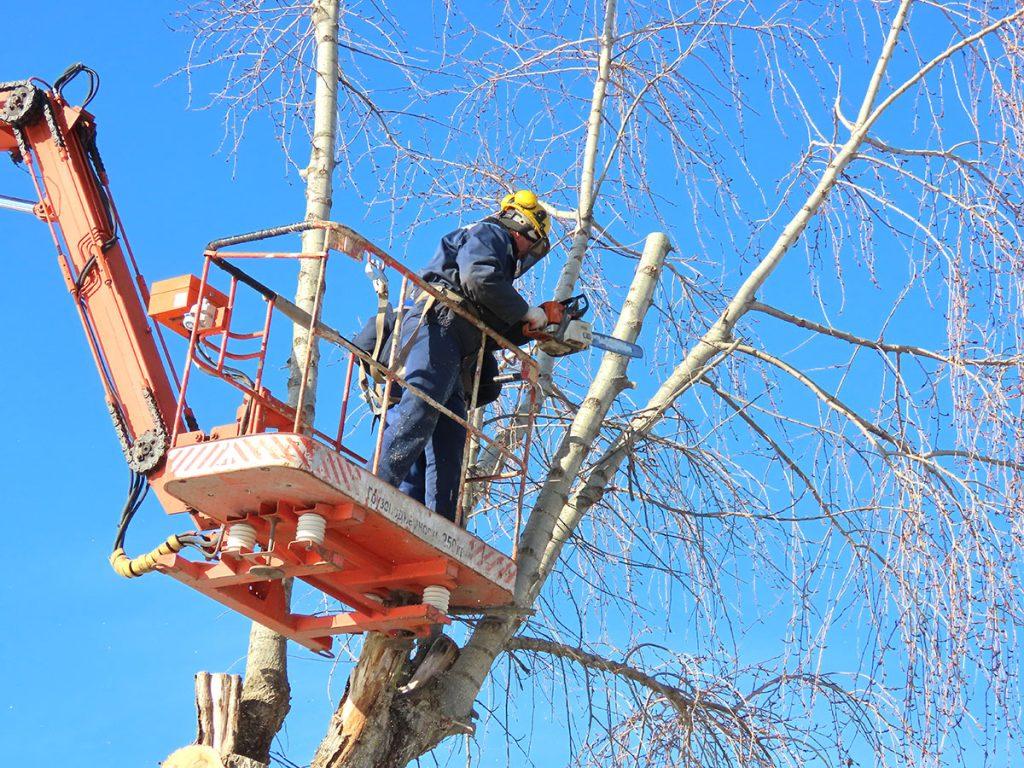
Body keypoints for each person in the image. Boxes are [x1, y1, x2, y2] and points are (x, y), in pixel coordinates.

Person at [370, 190, 554, 522]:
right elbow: (477, 277)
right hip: (438, 322)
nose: (528, 252)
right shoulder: (491, 233)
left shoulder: (495, 266)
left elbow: (491, 322)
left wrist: (527, 329)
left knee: (451, 437)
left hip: (459, 346)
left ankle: (439, 525)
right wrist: (527, 311)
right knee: (422, 402)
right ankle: (375, 486)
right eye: (532, 243)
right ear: (521, 228)